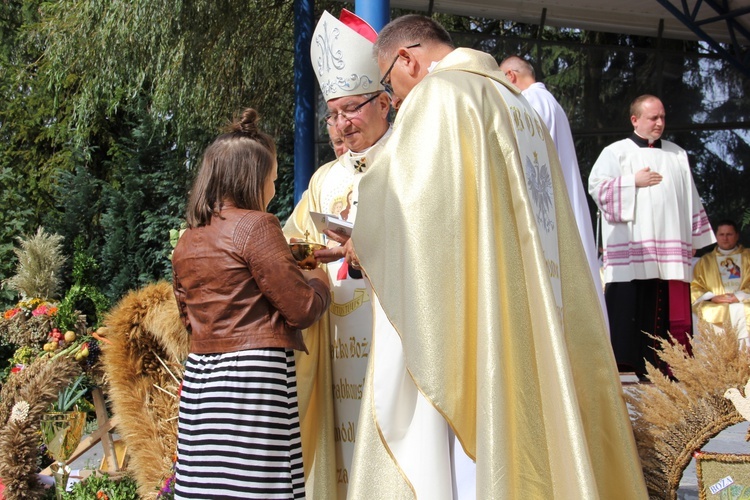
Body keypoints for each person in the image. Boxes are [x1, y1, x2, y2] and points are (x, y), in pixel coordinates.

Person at [347, 14, 648, 499]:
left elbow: (415, 206)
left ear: (408, 59)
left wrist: (362, 229)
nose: (395, 100)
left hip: (479, 317)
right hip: (536, 309)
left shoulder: (441, 95)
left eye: (389, 84)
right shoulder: (517, 104)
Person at [171, 108, 331, 499]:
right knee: (257, 482)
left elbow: (190, 309)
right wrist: (320, 281)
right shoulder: (257, 225)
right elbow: (301, 308)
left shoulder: (189, 239)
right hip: (253, 378)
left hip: (204, 379)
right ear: (253, 178)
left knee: (210, 484)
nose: (274, 186)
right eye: (272, 178)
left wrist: (304, 255)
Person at [282, 9, 391, 499]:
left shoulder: (409, 161)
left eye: (351, 110)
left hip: (392, 335)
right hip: (338, 338)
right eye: (332, 114)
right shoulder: (326, 179)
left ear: (385, 102)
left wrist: (366, 247)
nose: (340, 125)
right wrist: (309, 255)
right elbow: (292, 244)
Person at [589, 94, 715, 380]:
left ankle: (666, 367)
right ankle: (626, 363)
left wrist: (694, 239)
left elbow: (690, 198)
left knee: (666, 309)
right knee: (631, 305)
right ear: (635, 120)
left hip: (669, 249)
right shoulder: (615, 152)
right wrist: (632, 182)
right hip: (633, 247)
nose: (659, 123)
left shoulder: (677, 154)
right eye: (652, 118)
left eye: (662, 117)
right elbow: (597, 187)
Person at [499, 55, 605, 315]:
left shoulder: (530, 102)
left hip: (546, 211)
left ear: (511, 76)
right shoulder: (551, 103)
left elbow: (527, 158)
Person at [692, 220, 750, 348]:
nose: (725, 238)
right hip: (715, 305)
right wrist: (713, 297)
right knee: (705, 312)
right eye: (721, 234)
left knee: (743, 310)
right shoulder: (705, 261)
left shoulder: (748, 256)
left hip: (745, 301)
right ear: (716, 236)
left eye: (729, 234)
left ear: (737, 236)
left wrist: (740, 296)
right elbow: (695, 287)